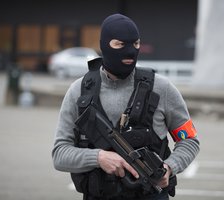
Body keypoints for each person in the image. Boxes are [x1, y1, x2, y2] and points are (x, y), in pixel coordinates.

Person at [52, 13, 200, 200]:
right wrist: (99, 158)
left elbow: (190, 140)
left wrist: (170, 167)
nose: (130, 51)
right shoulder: (79, 91)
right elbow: (59, 154)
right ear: (105, 45)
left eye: (136, 44)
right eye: (120, 45)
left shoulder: (162, 88)